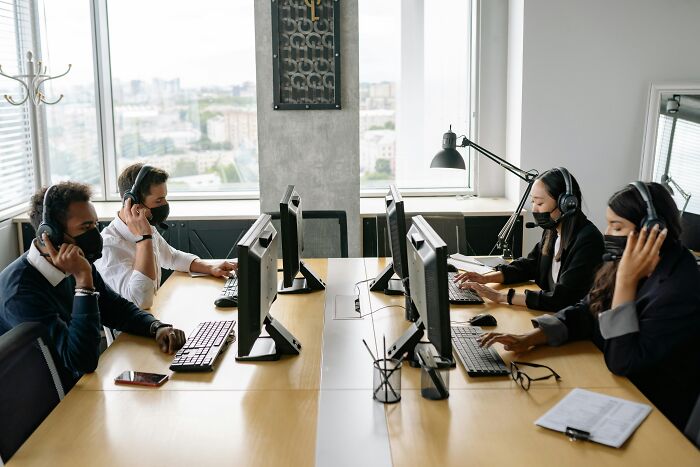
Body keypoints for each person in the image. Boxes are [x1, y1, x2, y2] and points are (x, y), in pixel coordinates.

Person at [479, 182, 700, 432]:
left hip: (654, 416)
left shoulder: (679, 290)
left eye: (617, 226)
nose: (607, 233)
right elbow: (588, 309)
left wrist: (626, 283)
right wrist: (533, 337)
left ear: (652, 230)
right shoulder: (632, 261)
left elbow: (622, 361)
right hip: (615, 389)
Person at [0, 182, 186, 388]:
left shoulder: (77, 260)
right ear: (50, 235)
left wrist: (156, 327)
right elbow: (80, 361)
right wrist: (83, 281)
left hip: (79, 387)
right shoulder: (20, 293)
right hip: (44, 401)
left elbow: (114, 308)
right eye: (85, 227)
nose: (95, 235)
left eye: (95, 225)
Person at [456, 167, 605, 311]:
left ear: (565, 204)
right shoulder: (552, 231)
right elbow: (530, 265)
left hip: (572, 327)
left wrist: (501, 297)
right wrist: (485, 279)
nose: (534, 209)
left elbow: (563, 298)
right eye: (533, 202)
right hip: (550, 316)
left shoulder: (588, 241)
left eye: (539, 203)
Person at [95, 164, 237, 309]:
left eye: (164, 198)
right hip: (130, 327)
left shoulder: (146, 225)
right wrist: (144, 239)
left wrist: (210, 267)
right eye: (159, 201)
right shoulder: (108, 247)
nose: (165, 204)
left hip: (153, 315)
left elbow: (171, 257)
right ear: (132, 202)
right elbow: (140, 301)